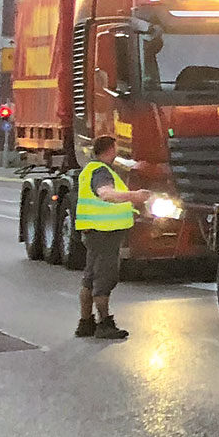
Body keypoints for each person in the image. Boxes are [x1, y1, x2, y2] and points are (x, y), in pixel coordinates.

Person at [73, 132, 142, 340]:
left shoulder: (91, 169)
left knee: (90, 277)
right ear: (110, 150)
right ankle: (104, 324)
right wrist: (135, 196)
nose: (117, 151)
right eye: (116, 148)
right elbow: (106, 194)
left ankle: (86, 323)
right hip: (104, 233)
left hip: (94, 231)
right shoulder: (101, 172)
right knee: (104, 278)